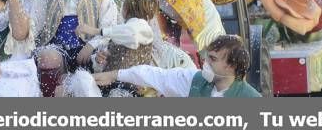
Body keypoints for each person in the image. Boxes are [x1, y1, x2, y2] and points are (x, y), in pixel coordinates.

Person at [2, 0, 118, 97]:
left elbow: (109, 27)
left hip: (88, 50)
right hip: (57, 46)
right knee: (47, 56)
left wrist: (91, 45)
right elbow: (34, 22)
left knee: (98, 63)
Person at [93, 35, 261, 97]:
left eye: (213, 59)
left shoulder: (251, 99)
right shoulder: (194, 80)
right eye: (207, 57)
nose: (206, 63)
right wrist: (113, 75)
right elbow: (153, 75)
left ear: (231, 67)